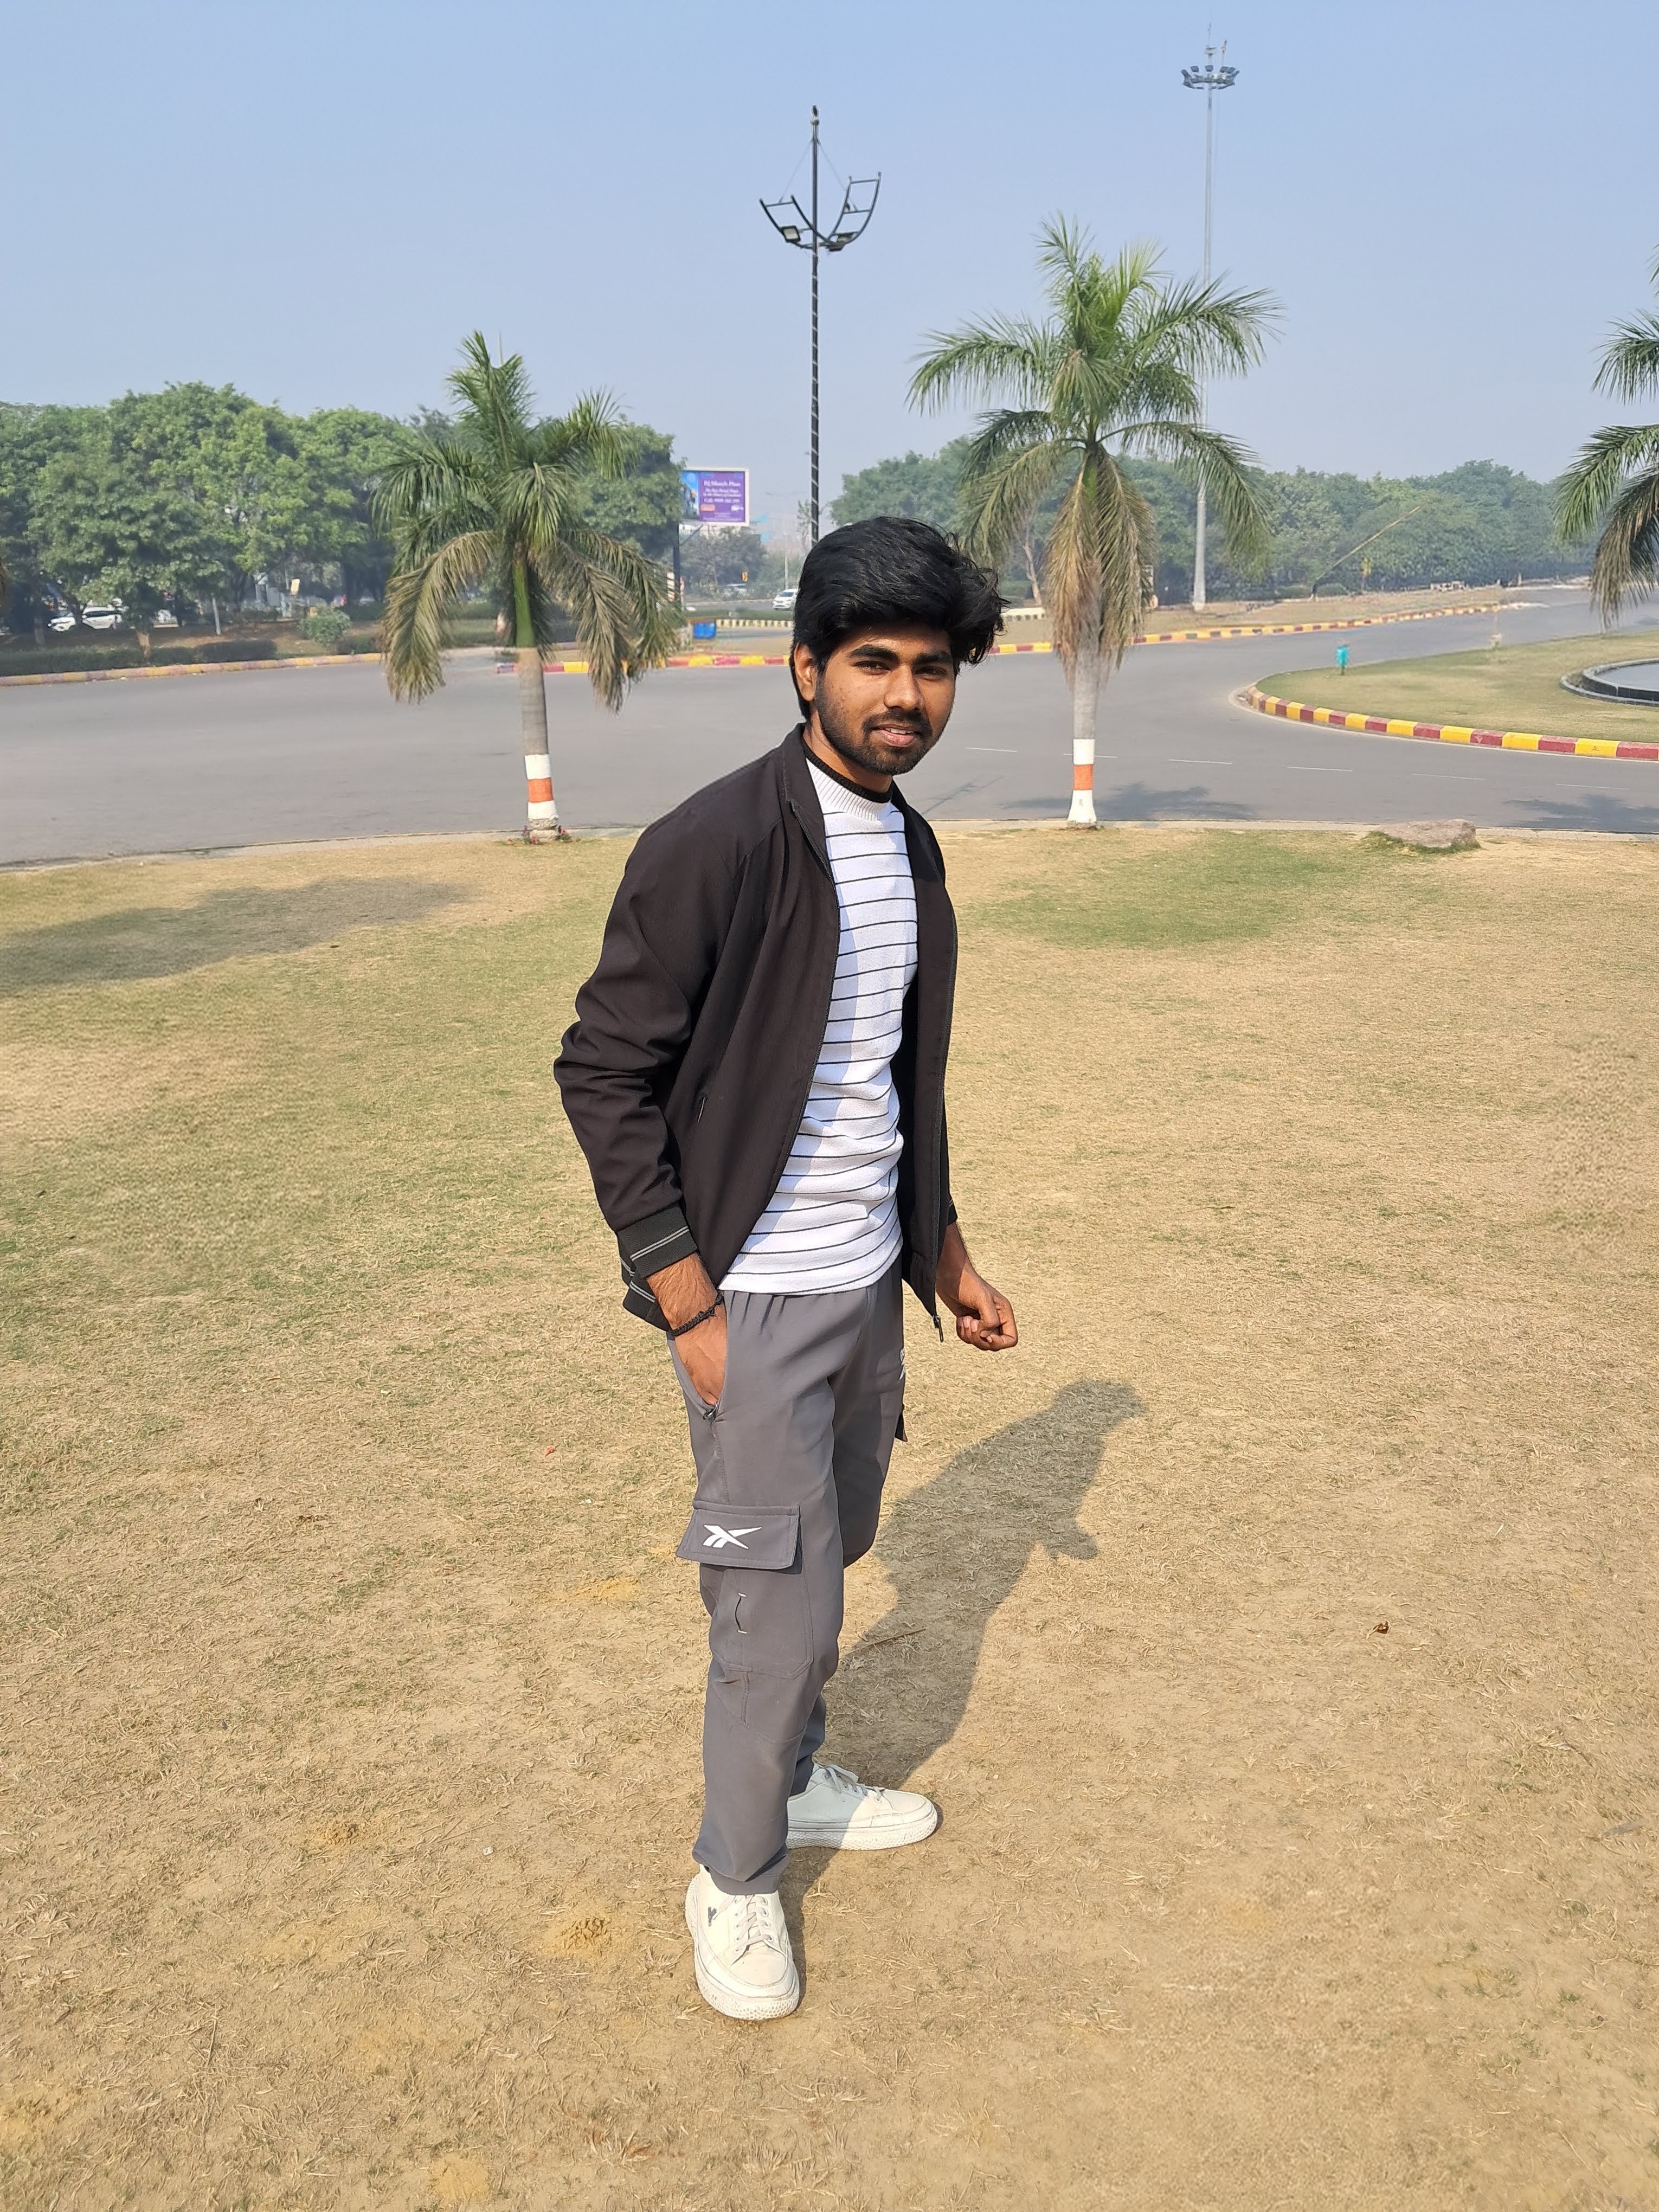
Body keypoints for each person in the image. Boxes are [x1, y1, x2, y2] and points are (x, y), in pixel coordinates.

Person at [555, 516, 1019, 2022]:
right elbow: (602, 1071)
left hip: (866, 1284)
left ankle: (799, 1779)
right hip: (749, 1296)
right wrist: (684, 1301)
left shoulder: (909, 843)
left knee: (841, 1543)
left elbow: (891, 1078)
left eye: (931, 669)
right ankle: (734, 1876)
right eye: (873, 662)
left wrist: (943, 1253)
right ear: (805, 667)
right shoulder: (718, 841)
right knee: (774, 1607)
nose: (905, 696)